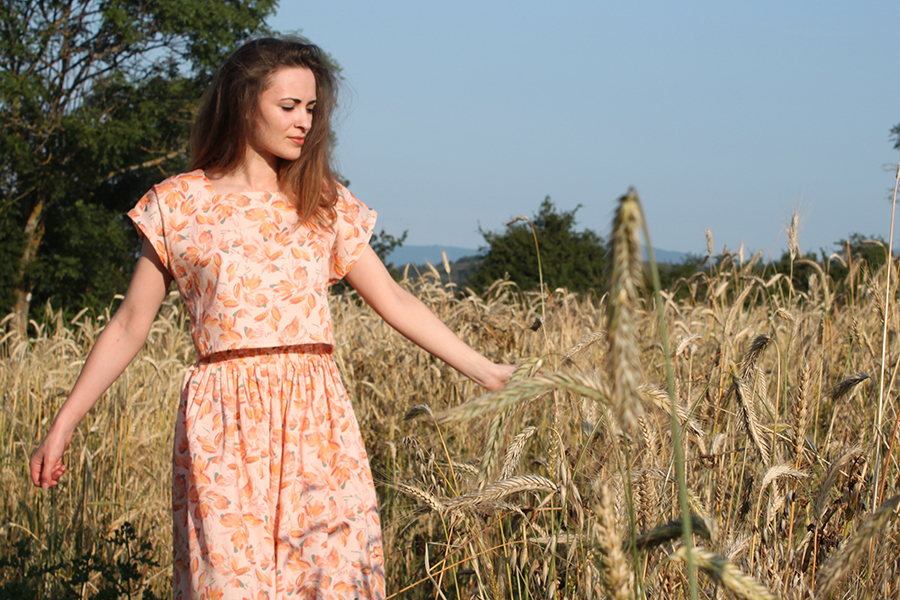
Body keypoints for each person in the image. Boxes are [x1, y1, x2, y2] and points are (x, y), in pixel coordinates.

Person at [30, 37, 515, 599]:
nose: (304, 121)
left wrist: (487, 372)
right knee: (228, 584)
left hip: (317, 422)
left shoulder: (322, 201)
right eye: (288, 106)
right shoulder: (178, 205)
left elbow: (395, 300)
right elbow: (128, 324)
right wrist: (63, 425)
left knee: (331, 582)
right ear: (242, 103)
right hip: (221, 426)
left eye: (311, 108)